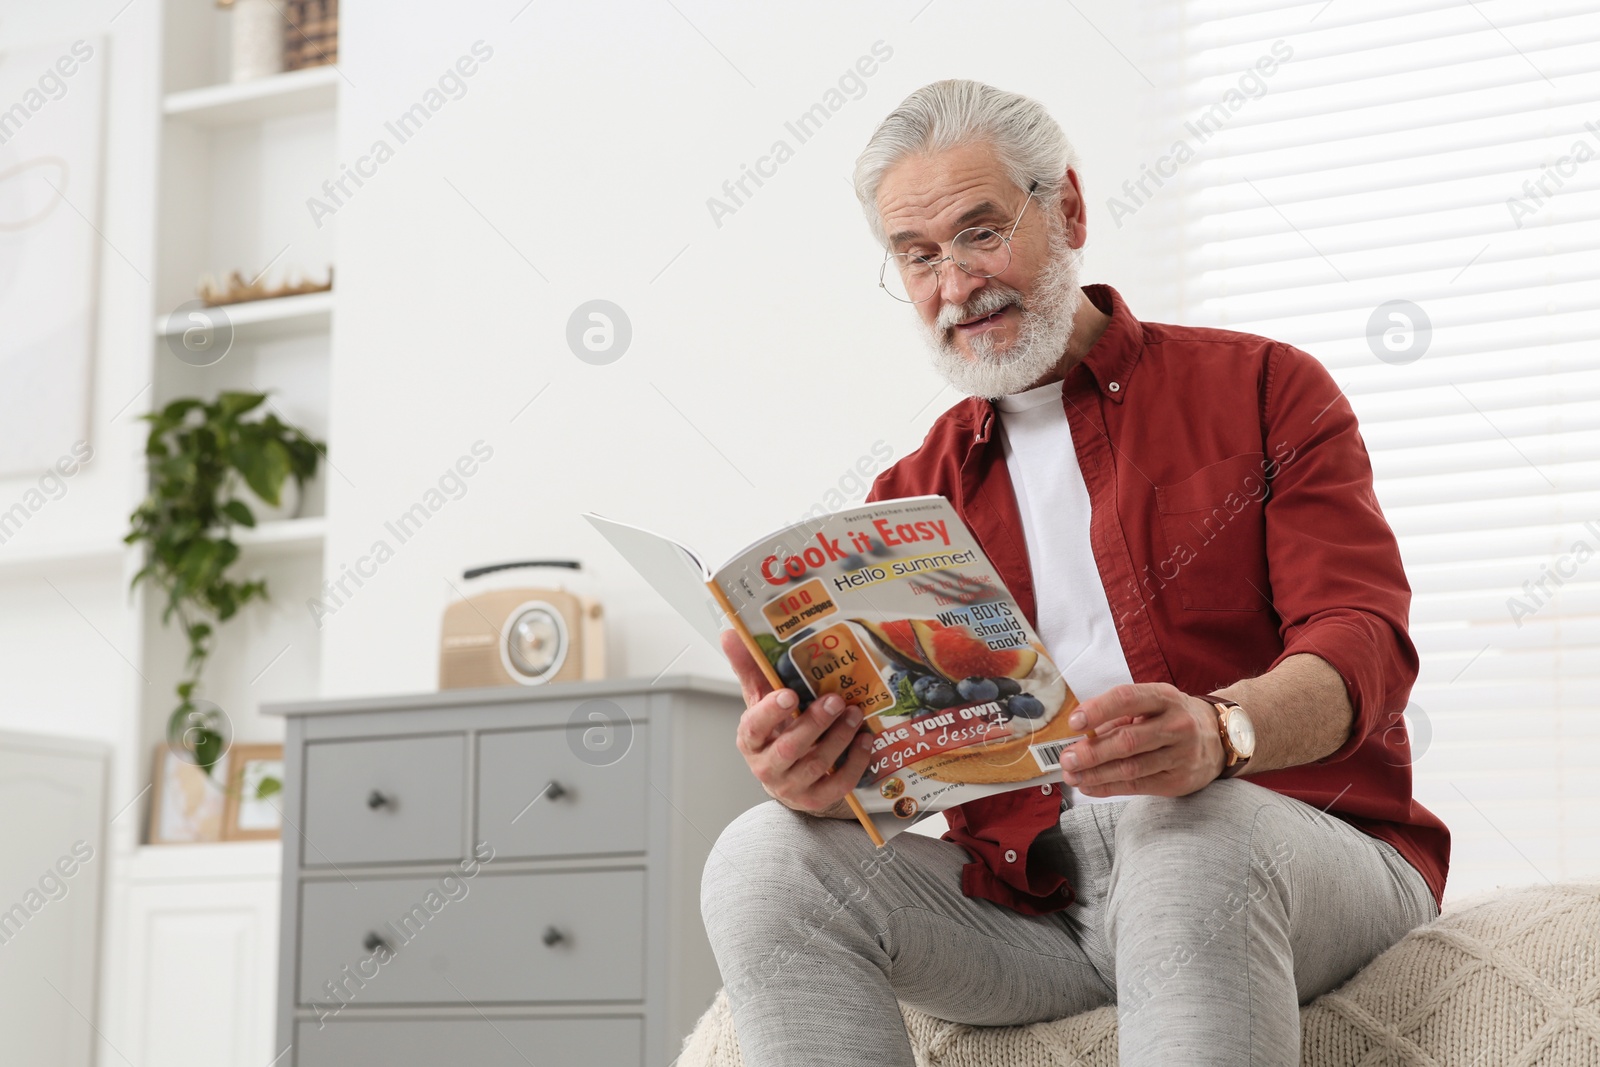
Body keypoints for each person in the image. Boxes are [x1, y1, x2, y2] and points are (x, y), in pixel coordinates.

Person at [699, 79, 1448, 1067]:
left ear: (1068, 210)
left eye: (979, 232)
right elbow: (919, 760)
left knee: (1192, 833)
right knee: (758, 857)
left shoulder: (1264, 388)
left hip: (1292, 847)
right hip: (1034, 903)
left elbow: (1363, 641)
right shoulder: (906, 499)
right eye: (917, 257)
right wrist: (820, 775)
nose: (956, 284)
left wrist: (1223, 732)